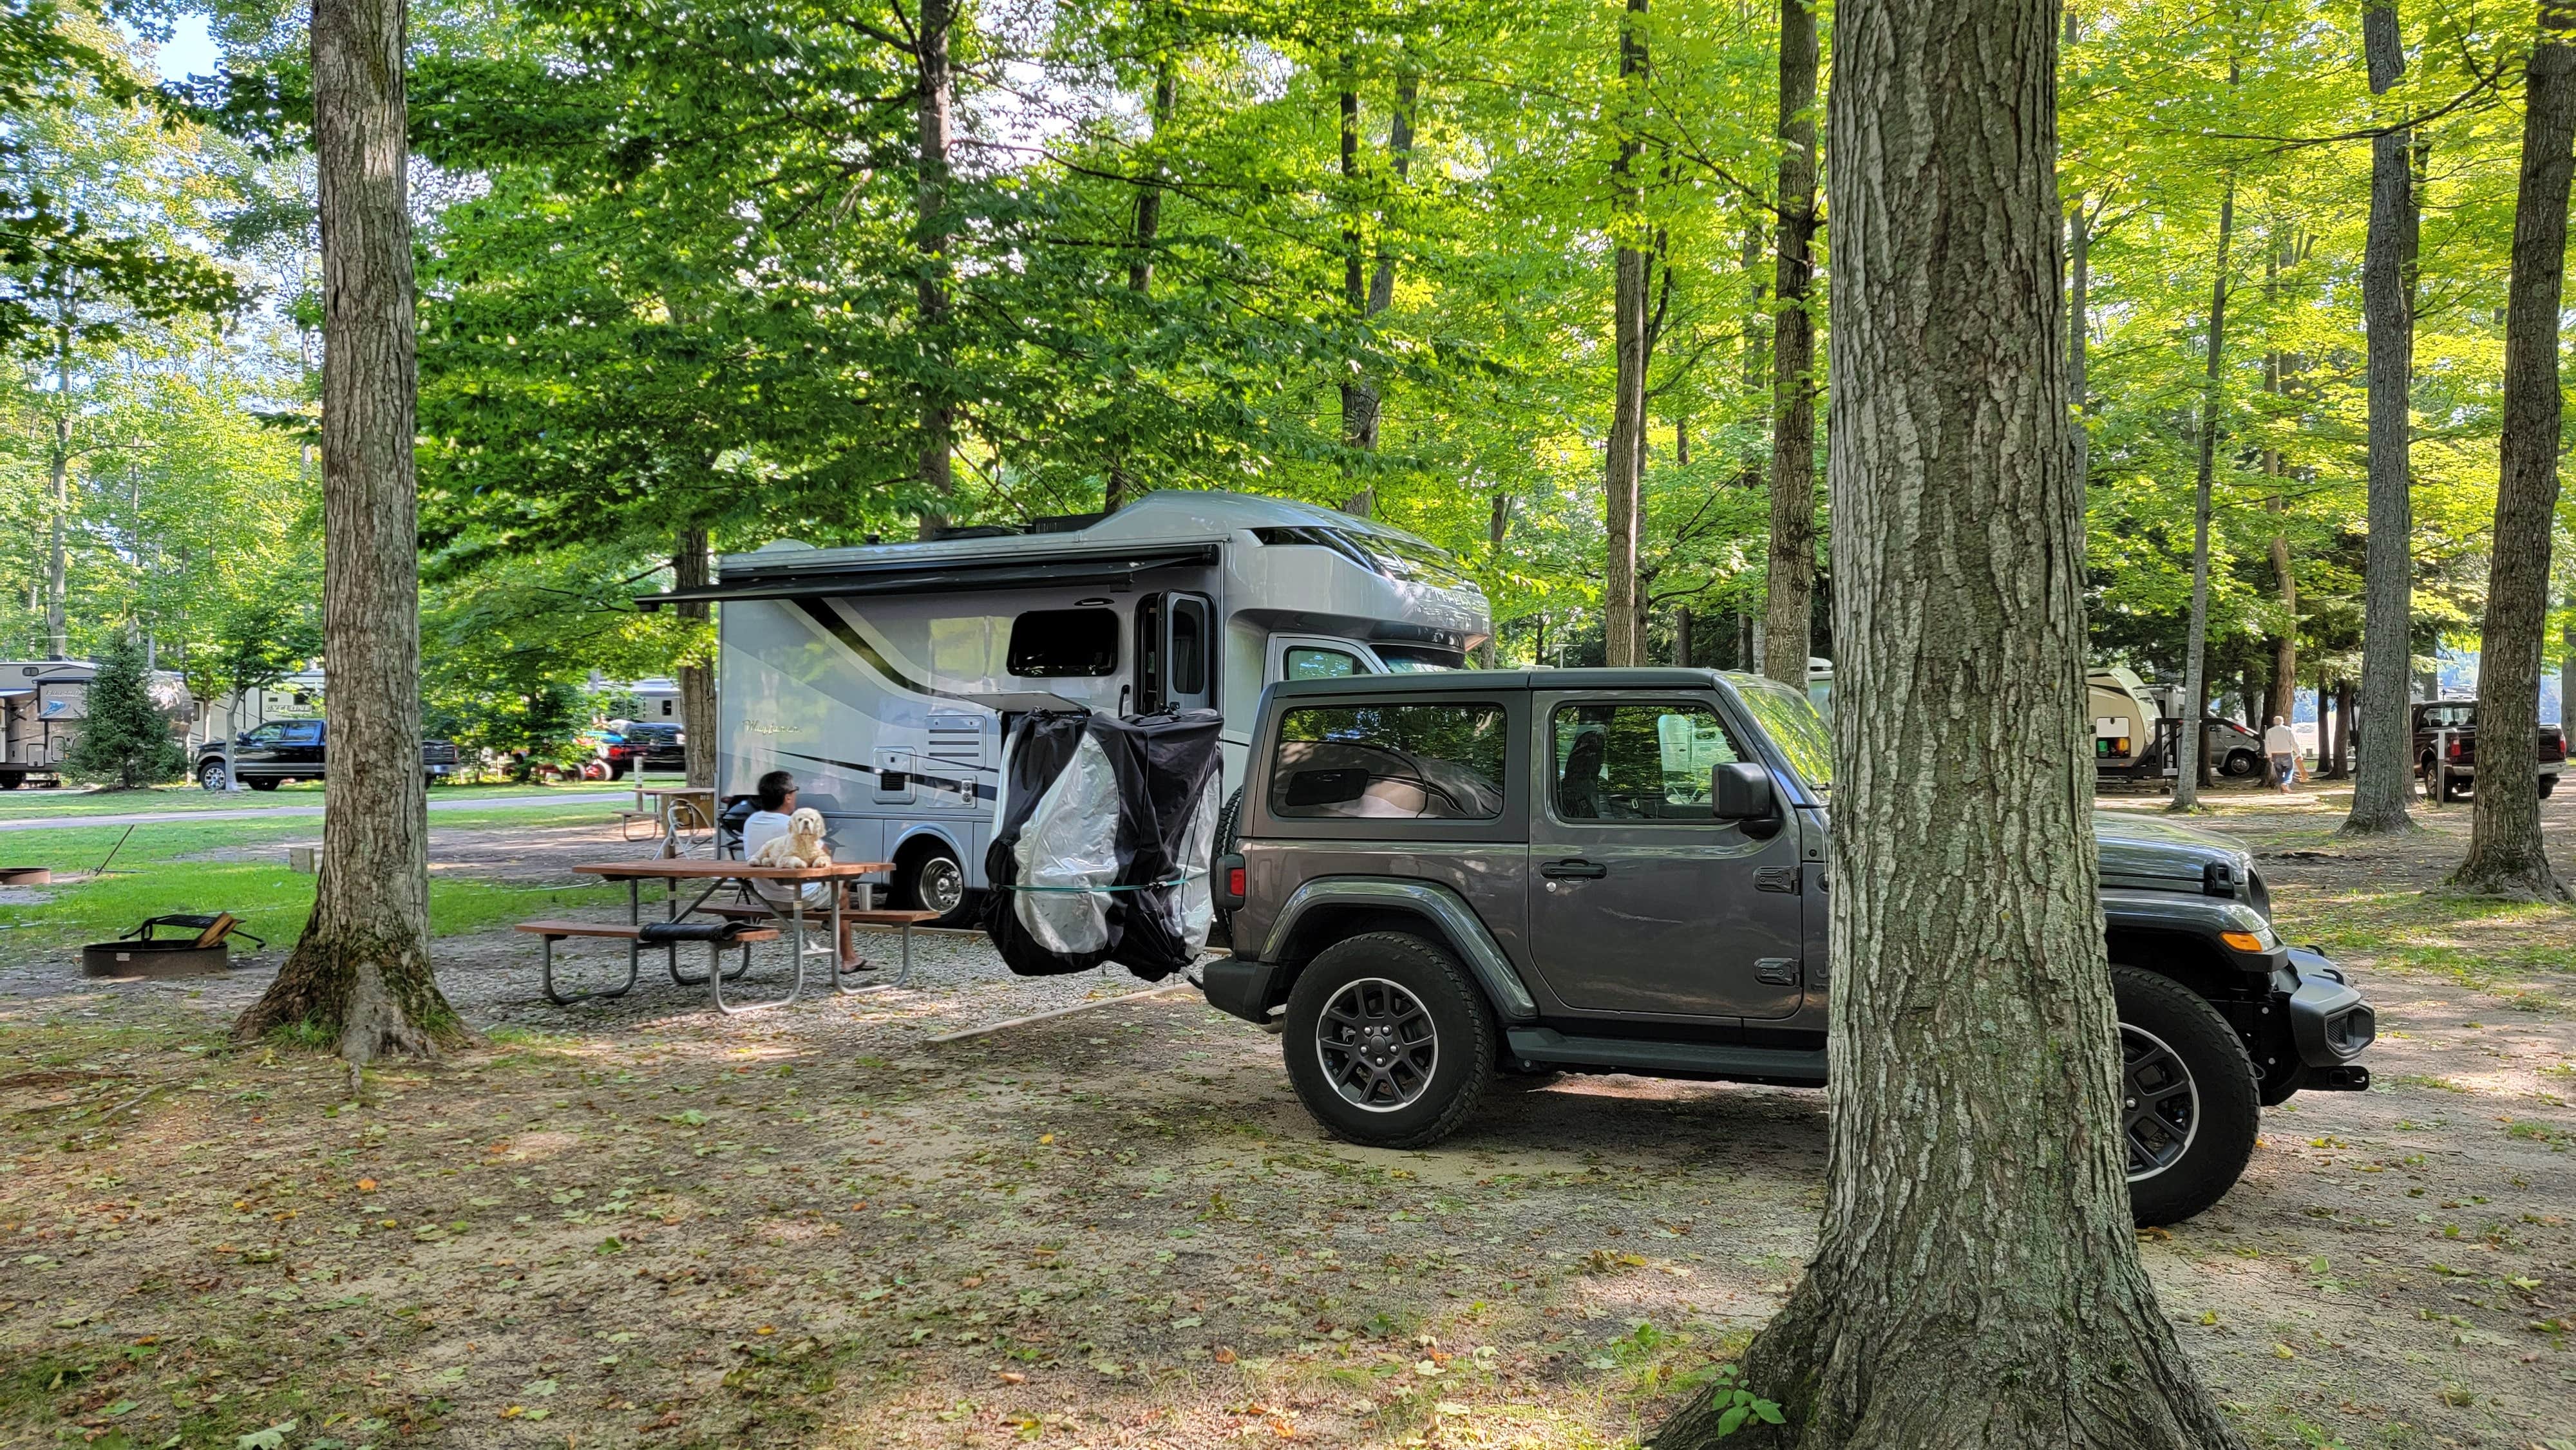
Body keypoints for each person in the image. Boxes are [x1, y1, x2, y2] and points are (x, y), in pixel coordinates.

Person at [742, 770, 864, 968]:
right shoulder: (793, 825)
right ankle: (849, 958)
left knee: (838, 884)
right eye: (795, 791)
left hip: (765, 898)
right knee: (842, 892)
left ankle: (831, 921)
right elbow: (824, 855)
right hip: (798, 897)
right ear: (788, 796)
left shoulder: (751, 823)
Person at [2264, 715, 2300, 795]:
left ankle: (2283, 790)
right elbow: (2294, 742)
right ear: (2283, 722)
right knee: (2289, 769)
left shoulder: (2270, 731)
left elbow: (2267, 744)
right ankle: (2286, 783)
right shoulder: (2288, 730)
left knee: (2279, 772)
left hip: (2275, 754)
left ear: (2274, 722)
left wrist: (2269, 755)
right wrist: (2298, 753)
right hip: (2287, 753)